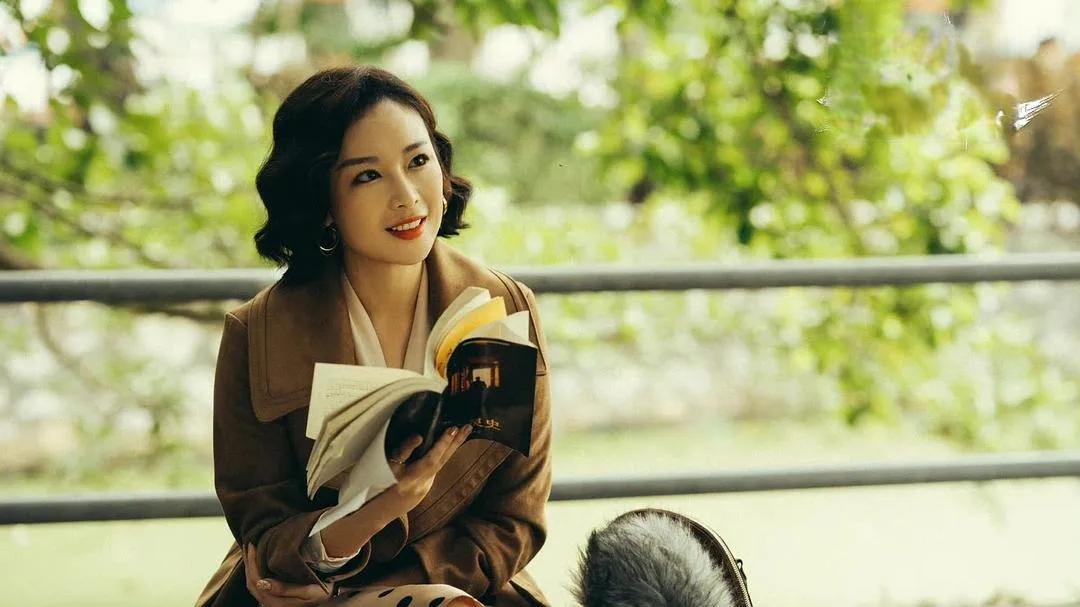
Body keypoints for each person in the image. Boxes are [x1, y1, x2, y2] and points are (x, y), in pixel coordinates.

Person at [195, 65, 552, 607]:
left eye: (418, 161)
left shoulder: (503, 307)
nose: (407, 196)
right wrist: (375, 513)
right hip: (293, 594)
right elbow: (262, 527)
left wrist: (392, 589)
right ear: (322, 202)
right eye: (367, 176)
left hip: (468, 588)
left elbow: (515, 520)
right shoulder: (258, 332)